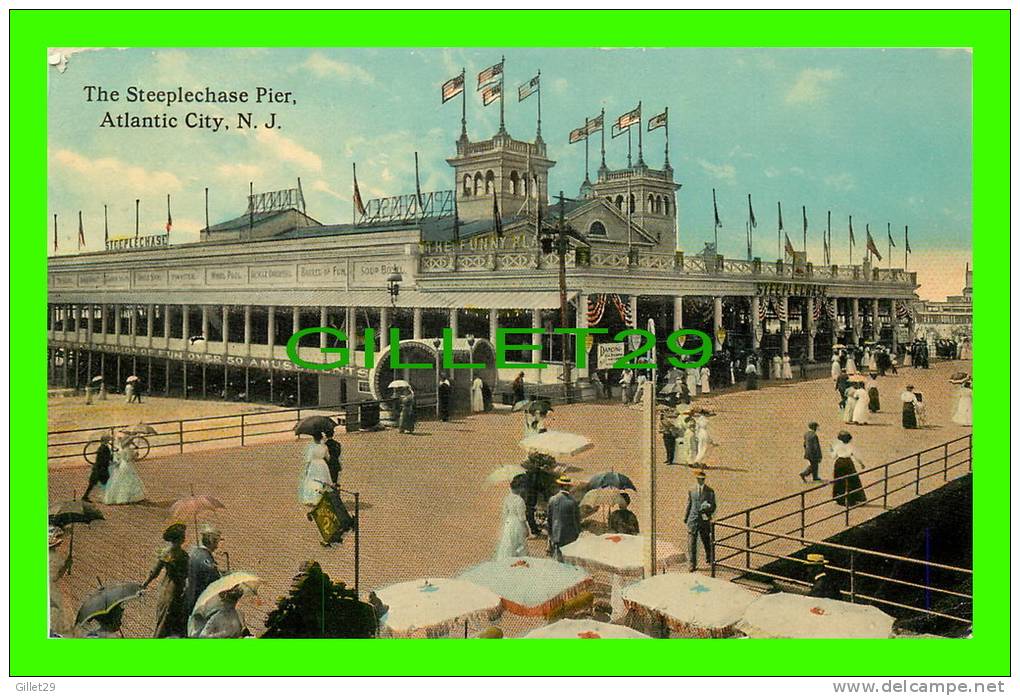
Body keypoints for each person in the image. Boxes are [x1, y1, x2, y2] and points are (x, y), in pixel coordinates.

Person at [142, 523, 190, 638]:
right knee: (166, 622)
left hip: (167, 588)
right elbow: (187, 573)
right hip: (174, 591)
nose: (184, 538)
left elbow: (154, 572)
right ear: (178, 539)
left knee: (166, 620)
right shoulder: (180, 555)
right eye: (182, 536)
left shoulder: (168, 552)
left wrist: (145, 584)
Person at [185, 523, 222, 619]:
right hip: (200, 603)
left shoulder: (194, 552)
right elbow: (214, 578)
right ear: (211, 540)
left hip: (190, 598)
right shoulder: (206, 557)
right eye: (216, 542)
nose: (217, 546)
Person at [684, 468, 716, 571]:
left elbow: (713, 506)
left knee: (706, 540)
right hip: (693, 519)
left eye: (701, 479)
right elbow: (689, 504)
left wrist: (707, 509)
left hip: (704, 520)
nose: (700, 480)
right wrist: (686, 517)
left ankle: (709, 557)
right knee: (691, 543)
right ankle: (692, 564)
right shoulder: (691, 490)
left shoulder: (710, 491)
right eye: (698, 479)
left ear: (704, 479)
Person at [546, 476, 581, 561]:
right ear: (567, 486)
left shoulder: (552, 499)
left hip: (556, 533)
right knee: (569, 559)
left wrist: (550, 534)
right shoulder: (573, 501)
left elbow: (549, 519)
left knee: (557, 558)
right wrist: (578, 533)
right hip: (570, 535)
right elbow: (576, 520)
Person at [103, 436, 146, 505]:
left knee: (120, 480)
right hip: (127, 466)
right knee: (129, 481)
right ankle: (128, 497)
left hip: (121, 466)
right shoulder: (129, 450)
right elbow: (130, 459)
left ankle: (116, 497)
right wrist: (136, 454)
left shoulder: (121, 450)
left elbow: (118, 458)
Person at [831, 431, 866, 507]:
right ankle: (855, 499)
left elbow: (833, 456)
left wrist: (831, 451)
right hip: (848, 462)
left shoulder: (837, 446)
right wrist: (861, 464)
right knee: (853, 480)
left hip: (839, 462)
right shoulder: (851, 446)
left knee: (839, 480)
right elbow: (856, 456)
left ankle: (839, 499)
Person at [494, 484, 529, 559]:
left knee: (508, 541)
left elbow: (505, 513)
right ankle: (518, 558)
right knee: (519, 543)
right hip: (517, 523)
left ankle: (507, 558)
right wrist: (526, 528)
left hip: (509, 522)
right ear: (519, 489)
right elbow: (521, 517)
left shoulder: (507, 499)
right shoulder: (520, 500)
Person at [298, 432, 331, 506]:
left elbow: (309, 459)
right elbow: (328, 457)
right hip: (322, 464)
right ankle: (321, 497)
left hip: (314, 464)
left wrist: (306, 468)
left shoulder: (312, 447)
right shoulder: (324, 446)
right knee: (322, 480)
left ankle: (312, 498)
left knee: (312, 480)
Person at [82, 434, 113, 502]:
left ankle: (85, 496)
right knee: (107, 482)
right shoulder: (104, 448)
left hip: (98, 468)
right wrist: (110, 461)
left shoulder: (102, 447)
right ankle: (107, 497)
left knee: (93, 484)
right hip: (101, 469)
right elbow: (104, 459)